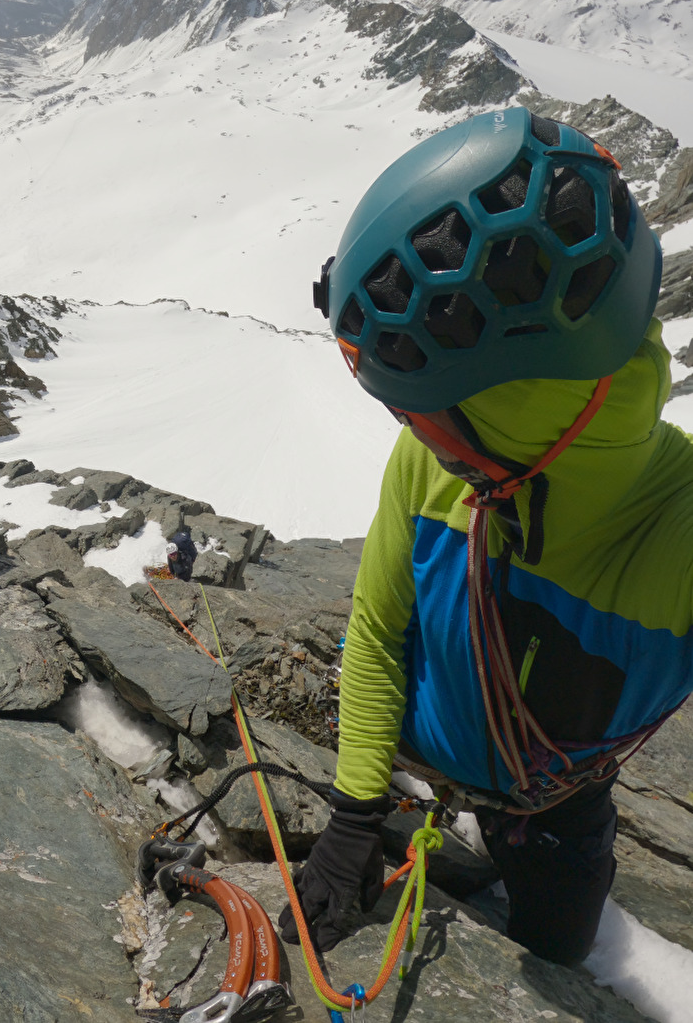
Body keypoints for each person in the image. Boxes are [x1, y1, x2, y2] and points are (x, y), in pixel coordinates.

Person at [285, 106, 693, 966]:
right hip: (418, 757)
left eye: (428, 417)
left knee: (561, 948)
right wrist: (355, 812)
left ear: (516, 405)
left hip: (555, 802)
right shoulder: (439, 461)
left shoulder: (677, 527)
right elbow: (378, 630)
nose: (417, 437)